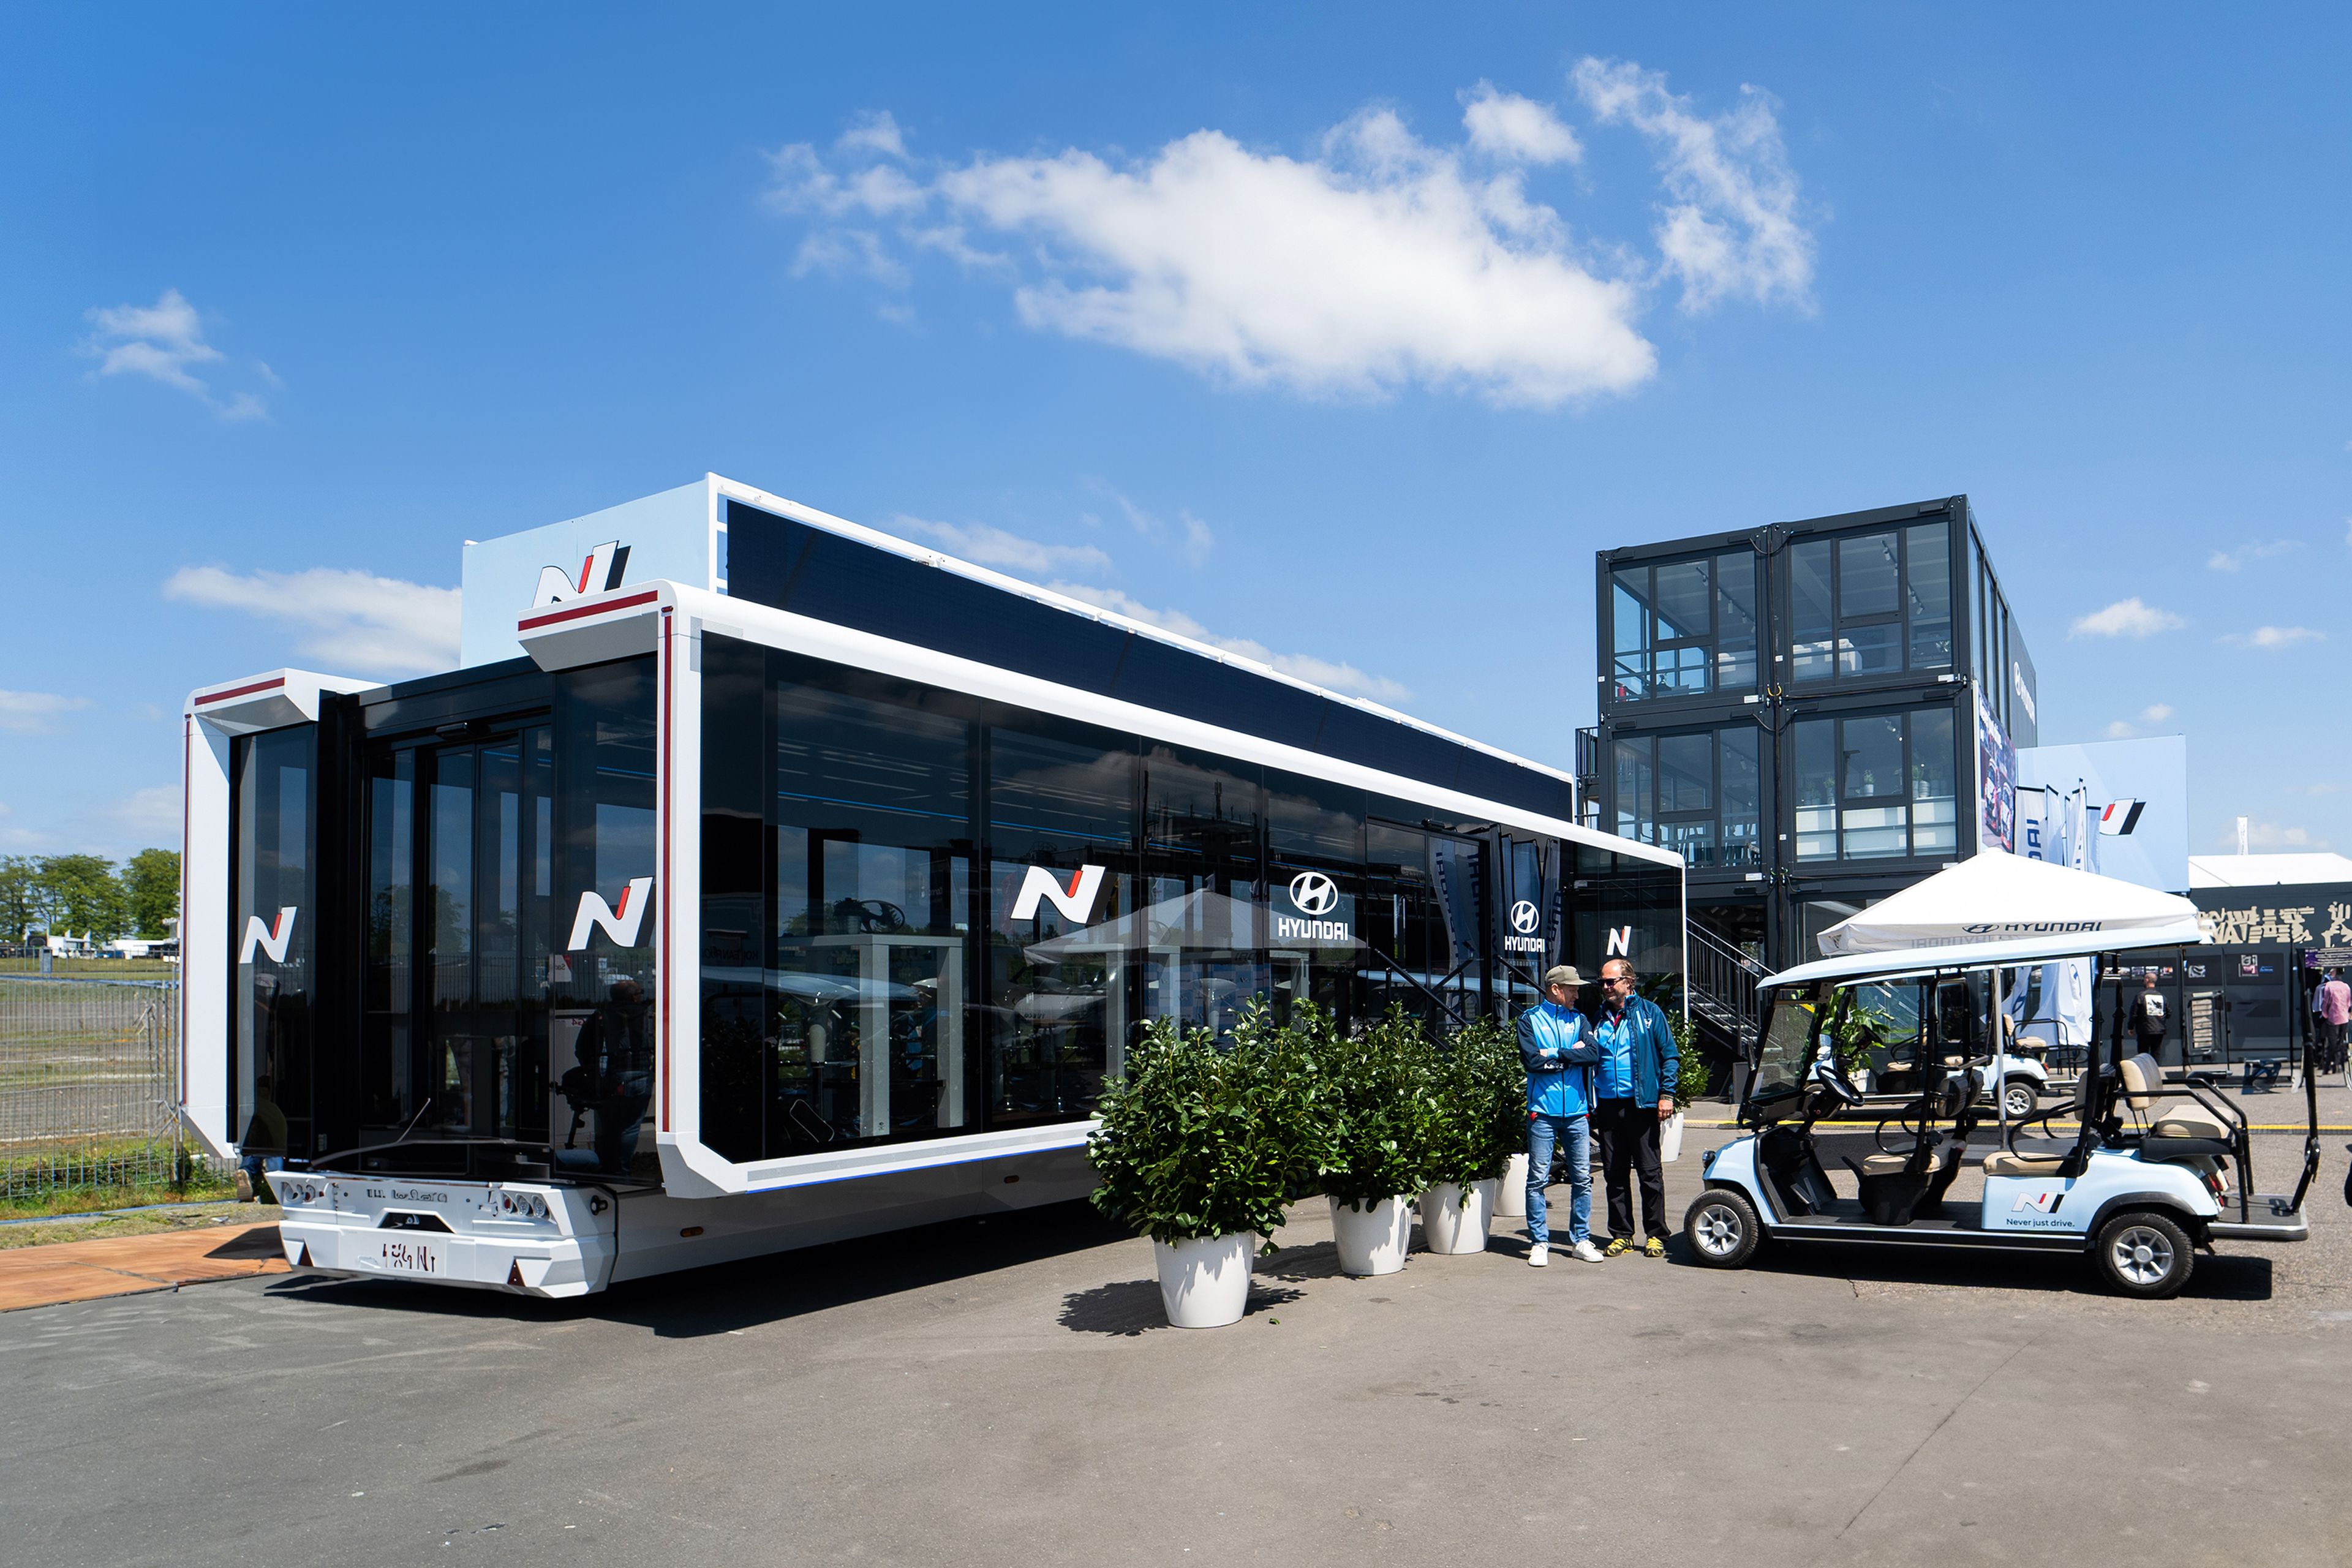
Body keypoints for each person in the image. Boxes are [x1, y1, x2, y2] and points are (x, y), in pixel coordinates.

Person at [1593, 957, 1680, 1258]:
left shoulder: (1649, 1013)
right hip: (1607, 1105)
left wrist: (1666, 1094)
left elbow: (1669, 1056)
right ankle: (1621, 1234)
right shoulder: (1598, 1017)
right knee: (1614, 1174)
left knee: (1649, 1173)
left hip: (1641, 1105)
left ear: (1628, 982)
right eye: (1602, 982)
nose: (1604, 987)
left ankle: (1656, 1233)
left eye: (1610, 981)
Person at [1517, 963, 1602, 1267]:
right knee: (1537, 1179)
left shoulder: (1580, 1020)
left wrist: (1554, 1053)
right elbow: (1531, 1062)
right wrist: (1571, 1056)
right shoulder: (1528, 1020)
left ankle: (1581, 1240)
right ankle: (1540, 1243)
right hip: (1542, 1112)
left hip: (1578, 1113)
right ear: (1556, 989)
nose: (1577, 994)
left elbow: (1592, 1055)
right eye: (1573, 989)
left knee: (1582, 1178)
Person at [2125, 973, 2168, 1060]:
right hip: (2159, 1030)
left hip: (2144, 1030)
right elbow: (2168, 1012)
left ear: (2147, 980)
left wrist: (2131, 1027)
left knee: (2143, 1054)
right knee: (2156, 1052)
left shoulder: (2141, 996)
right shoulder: (2162, 997)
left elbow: (2134, 1013)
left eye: (2144, 979)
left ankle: (2144, 1071)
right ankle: (2155, 1070)